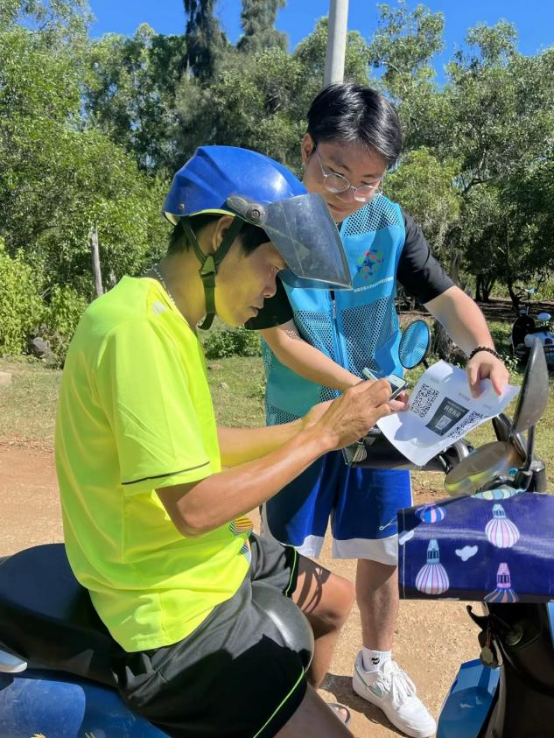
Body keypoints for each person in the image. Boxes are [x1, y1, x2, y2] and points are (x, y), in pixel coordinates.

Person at [55, 145, 403, 739]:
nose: (272, 290)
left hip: (196, 561)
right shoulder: (136, 331)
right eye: (271, 266)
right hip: (163, 603)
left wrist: (302, 427)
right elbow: (194, 509)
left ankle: (288, 713)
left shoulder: (165, 317)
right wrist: (320, 438)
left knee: (334, 601)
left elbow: (192, 443)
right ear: (221, 236)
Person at [246, 84, 510, 739]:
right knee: (288, 559)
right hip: (305, 423)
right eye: (336, 173)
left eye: (369, 180)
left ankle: (375, 667)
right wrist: (352, 392)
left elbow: (447, 297)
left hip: (383, 422)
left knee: (384, 548)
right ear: (306, 149)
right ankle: (282, 683)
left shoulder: (389, 223)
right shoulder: (271, 222)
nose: (351, 193)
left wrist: (481, 346)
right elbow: (281, 337)